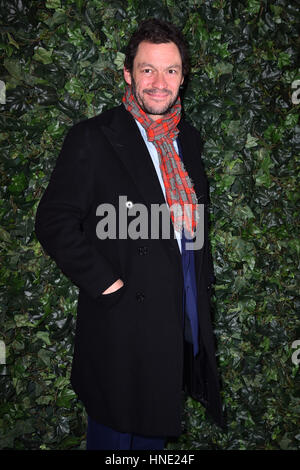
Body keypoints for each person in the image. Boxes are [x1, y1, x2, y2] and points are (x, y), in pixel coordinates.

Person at [35, 18, 225, 450]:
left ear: (183, 77)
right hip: (121, 325)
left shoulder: (187, 140)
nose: (160, 83)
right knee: (116, 437)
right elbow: (53, 220)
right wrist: (107, 283)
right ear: (128, 74)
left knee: (154, 439)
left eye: (171, 70)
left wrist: (198, 292)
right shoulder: (94, 137)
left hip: (176, 316)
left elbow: (192, 226)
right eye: (147, 69)